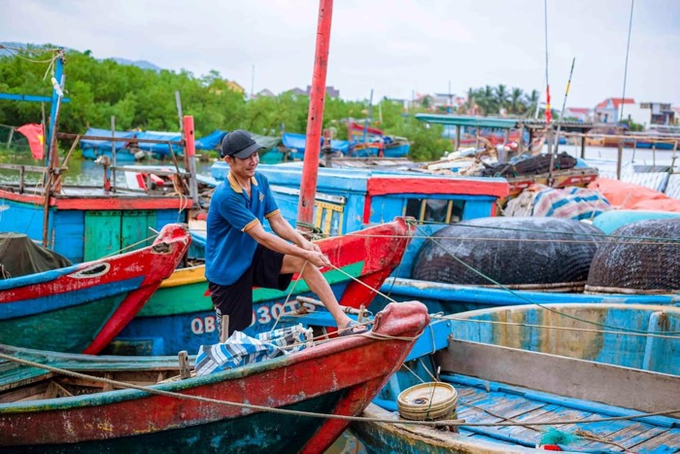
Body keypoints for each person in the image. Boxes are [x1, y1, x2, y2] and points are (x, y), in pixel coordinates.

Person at [205, 130, 367, 340]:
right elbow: (262, 236)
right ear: (228, 160)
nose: (253, 161)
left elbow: (278, 222)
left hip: (251, 254)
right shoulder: (226, 196)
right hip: (227, 269)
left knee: (303, 262)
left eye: (255, 155)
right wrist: (306, 252)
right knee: (231, 337)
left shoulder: (259, 180)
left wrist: (304, 245)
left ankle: (343, 322)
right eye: (246, 157)